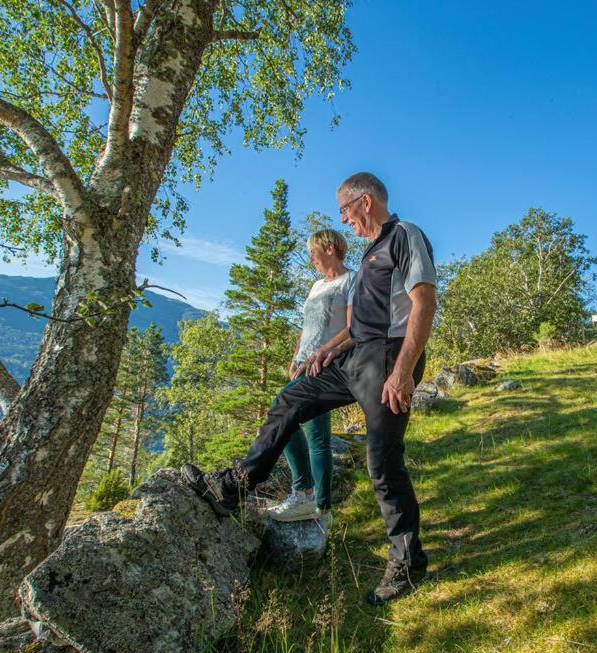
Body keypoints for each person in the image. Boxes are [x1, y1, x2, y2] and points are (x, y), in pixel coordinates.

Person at [182, 171, 437, 605]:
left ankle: (407, 563)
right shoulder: (371, 253)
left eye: (345, 210)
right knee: (290, 398)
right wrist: (326, 351)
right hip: (356, 357)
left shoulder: (404, 235)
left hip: (389, 360)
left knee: (382, 462)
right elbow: (359, 326)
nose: (344, 219)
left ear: (365, 201)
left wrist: (403, 372)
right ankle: (234, 486)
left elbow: (424, 303)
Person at [265, 229, 356, 524]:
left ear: (329, 248)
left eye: (313, 252)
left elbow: (354, 327)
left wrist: (323, 353)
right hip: (303, 364)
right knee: (289, 421)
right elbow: (307, 326)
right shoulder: (316, 286)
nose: (311, 259)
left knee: (308, 431)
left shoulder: (352, 280)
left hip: (325, 364)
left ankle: (310, 499)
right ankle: (316, 504)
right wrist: (296, 358)